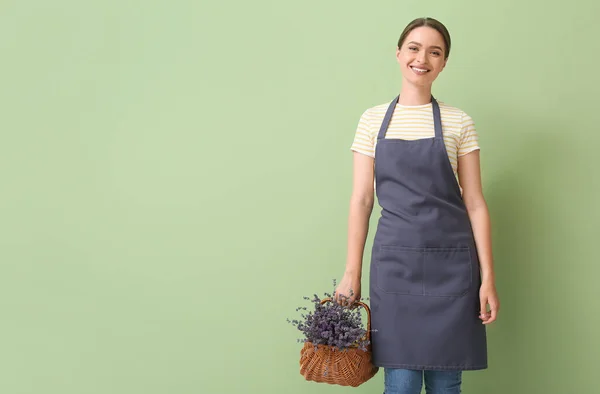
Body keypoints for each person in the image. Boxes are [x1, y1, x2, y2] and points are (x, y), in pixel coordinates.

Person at [333, 17, 500, 394]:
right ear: (398, 53)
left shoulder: (459, 122)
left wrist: (488, 277)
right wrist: (351, 272)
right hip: (395, 267)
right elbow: (362, 199)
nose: (422, 57)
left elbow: (474, 202)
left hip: (453, 266)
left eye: (434, 51)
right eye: (414, 47)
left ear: (443, 63)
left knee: (445, 381)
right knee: (402, 382)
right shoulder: (373, 120)